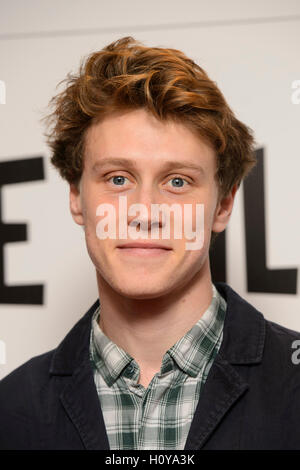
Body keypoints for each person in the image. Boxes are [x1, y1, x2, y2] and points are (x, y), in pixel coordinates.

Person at [0, 36, 300, 451]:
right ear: (76, 197)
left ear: (223, 205)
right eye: (117, 179)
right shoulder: (11, 408)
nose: (144, 212)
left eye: (178, 181)